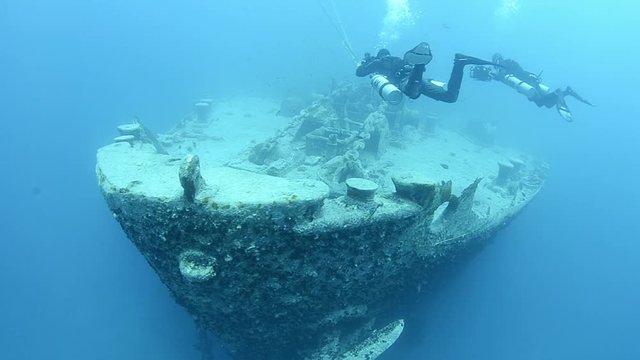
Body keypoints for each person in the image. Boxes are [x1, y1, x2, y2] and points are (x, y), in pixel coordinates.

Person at [356, 42, 496, 104]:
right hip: (419, 79)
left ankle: (420, 64)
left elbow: (359, 73)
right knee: (450, 97)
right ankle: (459, 63)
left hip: (408, 81)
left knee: (411, 92)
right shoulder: (398, 59)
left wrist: (365, 63)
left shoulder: (378, 63)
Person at [469, 53, 593, 122]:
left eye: (496, 60)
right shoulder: (507, 64)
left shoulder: (506, 65)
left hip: (528, 84)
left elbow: (506, 75)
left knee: (541, 102)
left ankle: (561, 92)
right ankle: (566, 92)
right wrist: (492, 74)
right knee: (546, 104)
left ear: (498, 59)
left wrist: (493, 73)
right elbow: (504, 76)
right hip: (529, 82)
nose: (496, 63)